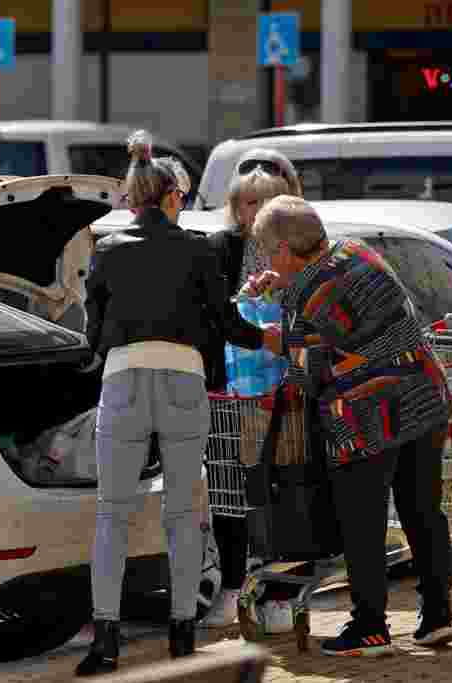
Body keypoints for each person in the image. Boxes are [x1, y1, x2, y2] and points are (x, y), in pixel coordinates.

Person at [74, 131, 265, 676]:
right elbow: (226, 324)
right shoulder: (200, 250)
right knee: (183, 517)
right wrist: (266, 339)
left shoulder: (106, 252)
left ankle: (105, 643)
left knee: (112, 514)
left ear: (133, 199)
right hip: (184, 382)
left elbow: (92, 334)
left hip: (124, 380)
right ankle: (183, 638)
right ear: (173, 197)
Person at [248, 195, 452, 656]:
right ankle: (437, 614)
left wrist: (265, 335)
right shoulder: (357, 250)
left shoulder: (306, 294)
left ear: (284, 249)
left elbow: (307, 372)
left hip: (368, 413)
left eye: (267, 251)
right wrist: (284, 289)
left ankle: (370, 628)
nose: (265, 260)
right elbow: (347, 317)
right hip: (423, 393)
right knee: (422, 509)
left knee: (362, 522)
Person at [200, 149, 303, 631]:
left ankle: (279, 595)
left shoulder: (300, 254)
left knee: (282, 495)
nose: (251, 214)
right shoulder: (220, 249)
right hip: (231, 395)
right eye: (243, 204)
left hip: (285, 397)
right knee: (229, 493)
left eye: (261, 203)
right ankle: (232, 588)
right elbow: (215, 317)